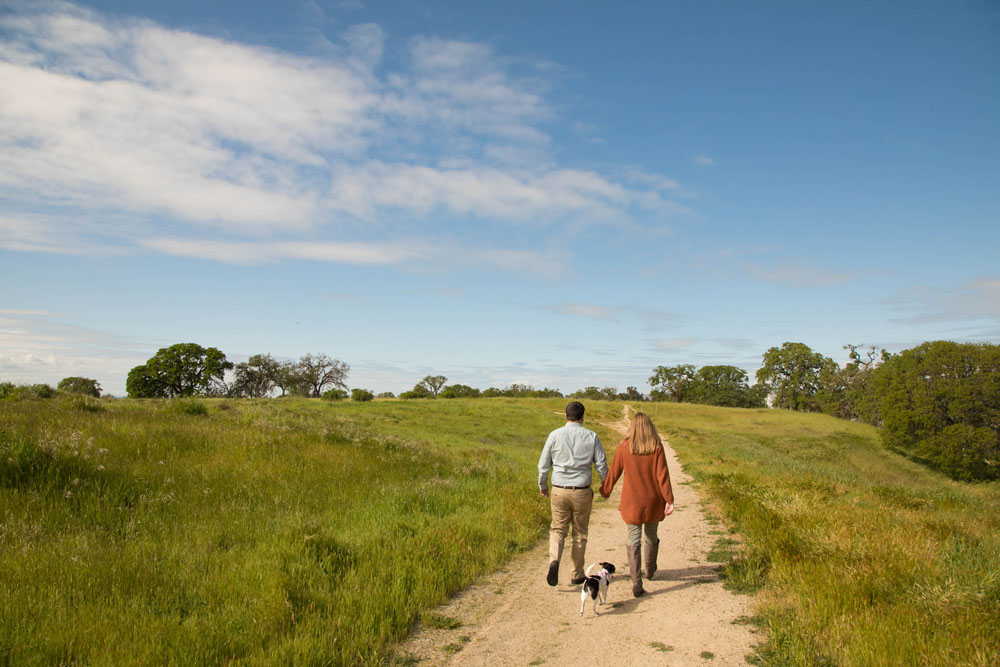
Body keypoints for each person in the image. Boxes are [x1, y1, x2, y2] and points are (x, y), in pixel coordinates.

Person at [600, 412, 675, 597]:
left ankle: (636, 581)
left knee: (633, 540)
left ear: (632, 428)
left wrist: (605, 491)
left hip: (632, 503)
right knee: (651, 537)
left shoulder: (625, 447)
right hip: (653, 502)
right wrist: (669, 499)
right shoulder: (656, 447)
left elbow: (614, 472)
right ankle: (650, 571)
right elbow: (662, 475)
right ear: (649, 427)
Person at [537, 401, 609, 586]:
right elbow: (601, 465)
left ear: (565, 416)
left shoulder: (555, 435)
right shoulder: (591, 436)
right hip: (582, 492)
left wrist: (543, 484)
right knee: (580, 533)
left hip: (559, 490)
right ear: (582, 417)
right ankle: (577, 574)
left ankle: (554, 560)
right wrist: (605, 486)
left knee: (558, 529)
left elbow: (543, 464)